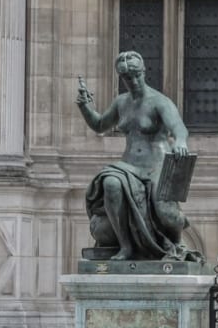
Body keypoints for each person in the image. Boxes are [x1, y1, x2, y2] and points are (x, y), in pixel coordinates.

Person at [74, 51, 201, 263]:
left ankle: (177, 240)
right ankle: (125, 246)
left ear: (143, 72)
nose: (132, 80)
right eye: (126, 77)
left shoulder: (159, 101)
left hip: (156, 164)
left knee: (165, 213)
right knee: (111, 183)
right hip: (129, 164)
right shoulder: (121, 102)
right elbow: (99, 125)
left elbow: (178, 128)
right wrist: (85, 107)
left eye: (135, 74)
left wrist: (180, 142)